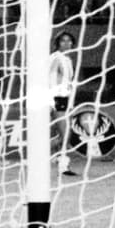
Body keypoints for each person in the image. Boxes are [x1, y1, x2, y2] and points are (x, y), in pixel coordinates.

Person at [49, 31, 77, 176]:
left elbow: (68, 81)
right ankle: (63, 166)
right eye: (63, 41)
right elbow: (51, 79)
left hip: (67, 99)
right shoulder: (55, 58)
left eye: (69, 40)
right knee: (65, 134)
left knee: (65, 134)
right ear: (57, 43)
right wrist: (51, 101)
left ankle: (56, 157)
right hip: (57, 99)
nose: (66, 43)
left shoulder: (68, 60)